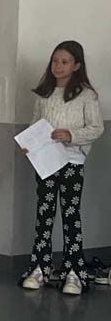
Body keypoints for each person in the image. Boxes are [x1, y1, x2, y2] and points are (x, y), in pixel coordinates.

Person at [21, 40, 104, 295]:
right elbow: (35, 124)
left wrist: (70, 135)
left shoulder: (86, 95)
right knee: (44, 216)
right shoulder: (44, 94)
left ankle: (74, 272)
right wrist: (29, 144)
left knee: (71, 217)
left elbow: (96, 128)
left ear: (76, 65)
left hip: (71, 162)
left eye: (64, 62)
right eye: (55, 61)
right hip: (46, 163)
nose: (58, 66)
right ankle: (40, 267)